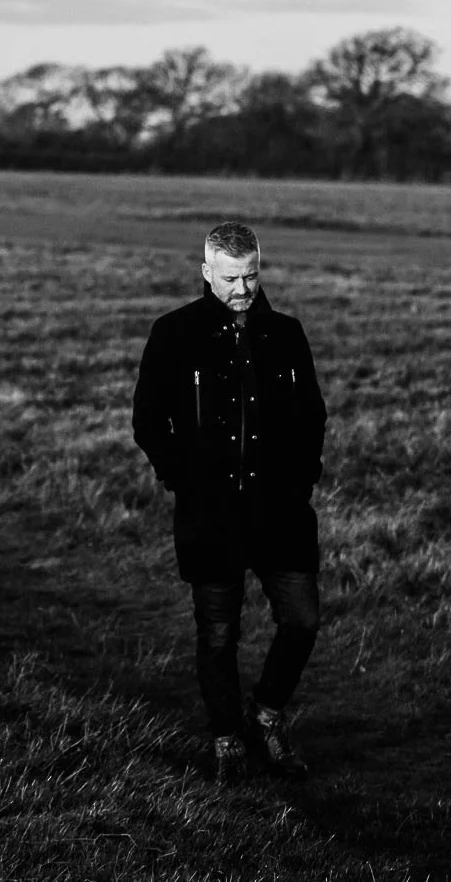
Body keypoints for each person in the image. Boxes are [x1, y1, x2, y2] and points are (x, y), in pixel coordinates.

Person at [132, 221, 328, 783]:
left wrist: (302, 480)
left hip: (281, 512)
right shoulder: (173, 333)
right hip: (210, 516)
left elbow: (312, 415)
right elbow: (149, 421)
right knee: (218, 634)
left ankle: (266, 715)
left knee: (302, 620)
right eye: (230, 279)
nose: (242, 289)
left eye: (251, 276)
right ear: (206, 273)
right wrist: (184, 481)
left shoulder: (286, 334)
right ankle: (226, 740)